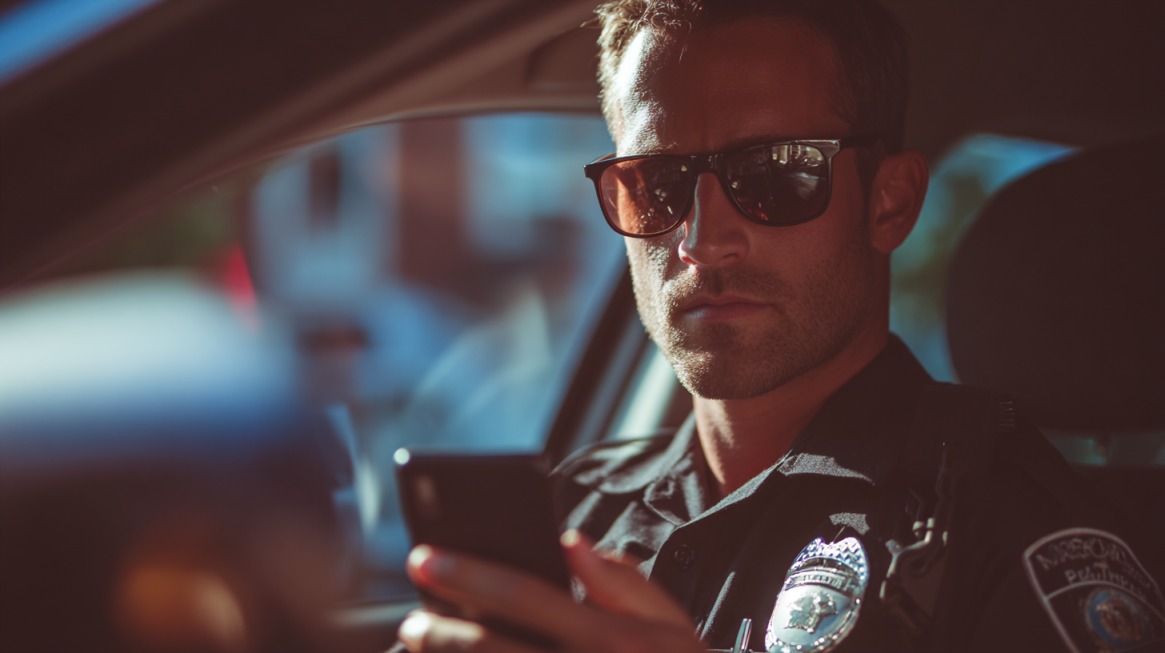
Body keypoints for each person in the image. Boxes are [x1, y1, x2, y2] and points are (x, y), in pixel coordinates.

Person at [395, 1, 1164, 651]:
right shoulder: (575, 515)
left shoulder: (1014, 536)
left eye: (775, 174)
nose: (702, 241)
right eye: (656, 184)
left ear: (889, 202)